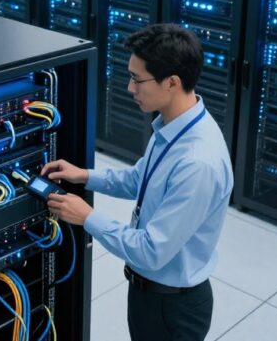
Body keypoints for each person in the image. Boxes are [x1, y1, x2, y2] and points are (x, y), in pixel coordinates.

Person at [42, 23, 233, 341]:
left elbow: (151, 251)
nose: (130, 88)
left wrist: (87, 217)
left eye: (137, 79)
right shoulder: (174, 127)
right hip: (150, 293)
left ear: (172, 82)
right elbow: (138, 179)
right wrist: (85, 176)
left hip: (173, 308)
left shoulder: (198, 162)